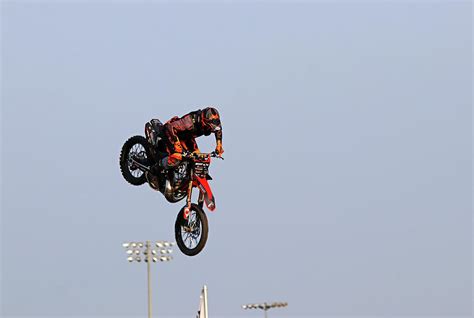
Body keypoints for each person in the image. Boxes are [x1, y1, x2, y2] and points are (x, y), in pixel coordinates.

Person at [151, 107, 224, 173]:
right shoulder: (189, 122)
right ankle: (156, 168)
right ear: (203, 120)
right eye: (209, 127)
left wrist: (219, 145)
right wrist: (176, 143)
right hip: (171, 133)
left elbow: (218, 130)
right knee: (177, 156)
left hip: (186, 137)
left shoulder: (215, 122)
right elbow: (170, 127)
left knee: (198, 157)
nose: (211, 129)